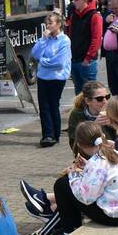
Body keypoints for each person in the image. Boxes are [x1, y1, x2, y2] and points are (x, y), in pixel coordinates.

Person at [20, 122, 118, 235]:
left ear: (79, 144)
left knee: (62, 185)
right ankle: (47, 205)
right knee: (70, 186)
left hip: (114, 217)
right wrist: (86, 168)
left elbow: (85, 198)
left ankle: (68, 230)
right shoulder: (115, 154)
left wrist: (73, 174)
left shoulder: (96, 163)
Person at [30, 11, 70, 148]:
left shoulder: (64, 41)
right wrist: (43, 40)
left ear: (58, 24)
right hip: (43, 77)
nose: (48, 25)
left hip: (57, 77)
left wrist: (43, 61)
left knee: (53, 105)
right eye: (47, 23)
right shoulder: (45, 39)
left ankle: (55, 134)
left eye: (51, 23)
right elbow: (35, 54)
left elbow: (59, 62)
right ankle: (47, 135)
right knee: (44, 107)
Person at [66, 0, 104, 98]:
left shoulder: (94, 16)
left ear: (85, 0)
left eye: (76, 0)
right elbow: (70, 35)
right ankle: (81, 113)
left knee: (91, 92)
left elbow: (96, 39)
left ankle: (91, 114)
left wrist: (88, 58)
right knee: (79, 92)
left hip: (87, 61)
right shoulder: (74, 15)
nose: (74, 2)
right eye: (73, 0)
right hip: (75, 59)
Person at [67, 80, 111, 152]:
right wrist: (94, 127)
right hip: (88, 158)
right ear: (88, 101)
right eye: (99, 99)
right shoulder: (77, 115)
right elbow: (75, 146)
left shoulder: (113, 111)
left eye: (107, 97)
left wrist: (114, 125)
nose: (105, 101)